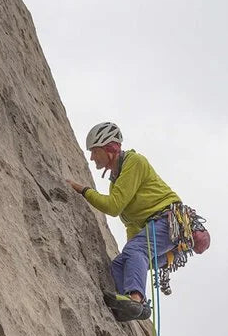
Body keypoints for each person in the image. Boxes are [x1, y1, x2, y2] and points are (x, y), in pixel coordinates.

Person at [68, 122, 183, 322]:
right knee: (119, 264)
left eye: (95, 151)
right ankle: (133, 307)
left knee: (136, 252)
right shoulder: (116, 179)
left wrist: (83, 190)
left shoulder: (134, 162)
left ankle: (135, 299)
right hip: (157, 228)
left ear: (109, 149)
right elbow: (130, 222)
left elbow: (113, 207)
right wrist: (131, 248)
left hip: (168, 221)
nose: (92, 157)